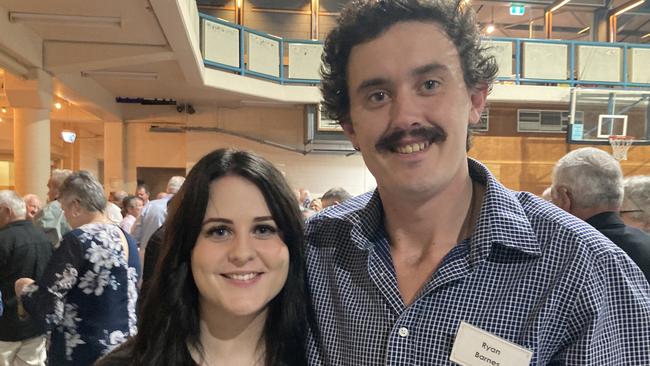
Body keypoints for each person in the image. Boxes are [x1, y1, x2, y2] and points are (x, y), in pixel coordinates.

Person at [306, 1, 650, 365]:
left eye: (429, 84)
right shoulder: (312, 254)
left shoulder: (585, 269)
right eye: (378, 95)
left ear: (475, 100)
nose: (405, 116)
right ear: (350, 127)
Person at [96, 149, 312, 366]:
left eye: (264, 229)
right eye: (219, 231)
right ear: (186, 246)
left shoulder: (327, 357)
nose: (242, 253)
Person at [15, 171, 140, 366]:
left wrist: (25, 289)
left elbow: (48, 305)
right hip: (125, 347)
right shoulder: (127, 238)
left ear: (76, 205)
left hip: (86, 349)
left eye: (64, 209)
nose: (65, 216)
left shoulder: (78, 240)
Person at [551, 147, 650, 281]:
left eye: (553, 197)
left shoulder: (561, 255)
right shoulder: (645, 244)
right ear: (618, 193)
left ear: (564, 197)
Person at [0, 190, 52, 365]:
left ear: (7, 211)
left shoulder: (3, 239)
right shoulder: (44, 237)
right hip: (36, 325)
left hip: (5, 327)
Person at [34, 169, 73, 247]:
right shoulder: (81, 208)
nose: (47, 193)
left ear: (58, 191)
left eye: (50, 188)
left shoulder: (49, 211)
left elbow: (45, 244)